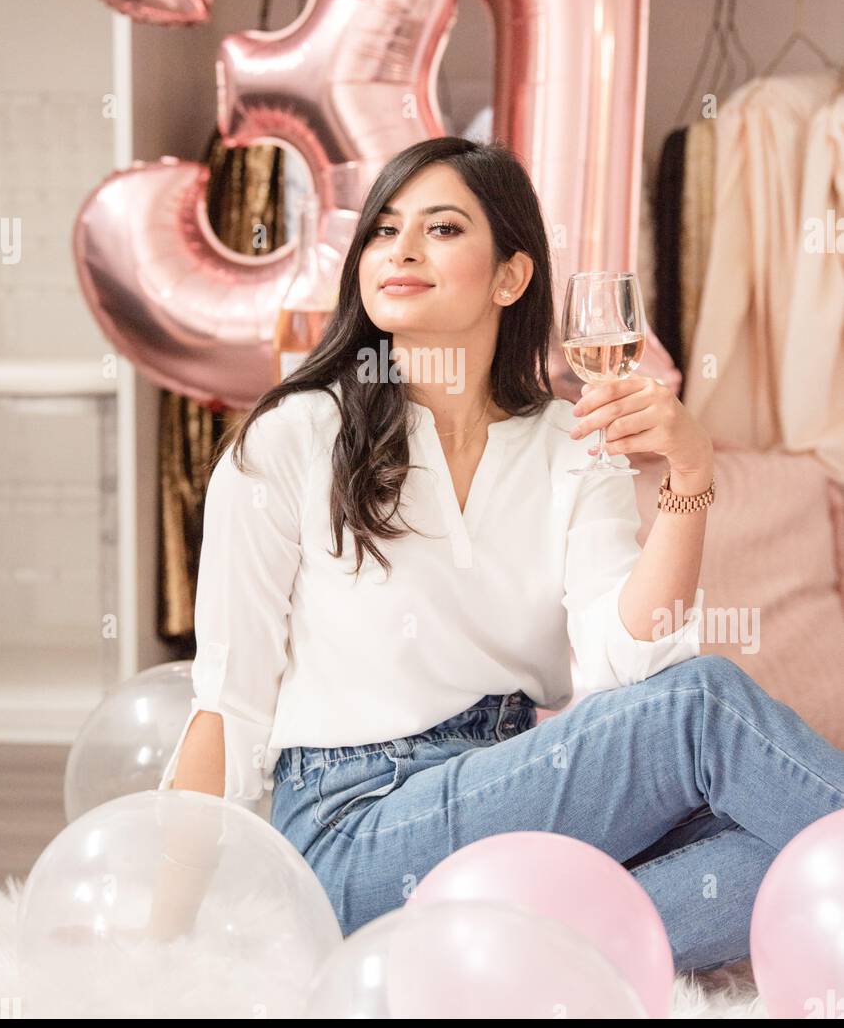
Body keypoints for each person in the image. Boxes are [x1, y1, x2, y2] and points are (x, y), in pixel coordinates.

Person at [158, 135, 844, 973]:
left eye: (442, 229)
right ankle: (461, 946)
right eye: (383, 229)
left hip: (509, 801)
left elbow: (628, 661)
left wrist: (688, 475)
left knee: (776, 846)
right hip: (354, 827)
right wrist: (158, 944)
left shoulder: (568, 442)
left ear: (511, 276)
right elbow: (227, 704)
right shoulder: (291, 437)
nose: (400, 250)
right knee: (703, 704)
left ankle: (501, 965)